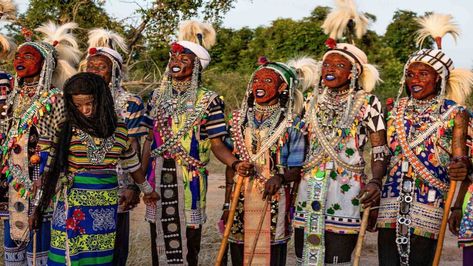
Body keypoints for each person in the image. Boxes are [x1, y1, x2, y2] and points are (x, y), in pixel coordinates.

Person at [141, 20, 253, 266]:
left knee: (189, 241)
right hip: (157, 176)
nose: (176, 62)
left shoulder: (209, 100)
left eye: (184, 59)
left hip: (189, 179)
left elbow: (217, 144)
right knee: (158, 238)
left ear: (197, 67)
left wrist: (235, 163)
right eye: (173, 58)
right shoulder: (156, 97)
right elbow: (148, 140)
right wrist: (140, 179)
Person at [293, 1, 388, 264]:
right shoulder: (311, 99)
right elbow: (297, 141)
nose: (329, 70)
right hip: (308, 184)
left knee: (337, 255)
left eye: (338, 66)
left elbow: (380, 148)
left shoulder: (368, 102)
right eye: (326, 65)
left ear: (354, 72)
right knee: (306, 253)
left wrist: (376, 181)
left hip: (346, 189)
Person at [376, 13, 472, 266]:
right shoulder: (394, 109)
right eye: (410, 74)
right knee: (387, 259)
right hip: (391, 195)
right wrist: (374, 186)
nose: (414, 80)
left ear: (438, 78)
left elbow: (462, 158)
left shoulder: (455, 113)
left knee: (421, 258)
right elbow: (383, 153)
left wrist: (458, 200)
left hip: (431, 197)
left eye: (422, 74)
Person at [36, 72, 159, 266]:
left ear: (101, 100)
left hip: (104, 203)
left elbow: (131, 164)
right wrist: (38, 204)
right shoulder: (66, 128)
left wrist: (147, 190)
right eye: (77, 105)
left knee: (98, 255)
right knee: (66, 254)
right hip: (72, 201)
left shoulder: (119, 129)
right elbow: (50, 165)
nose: (84, 110)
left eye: (89, 104)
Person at [0, 21, 80, 266]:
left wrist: (48, 177)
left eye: (28, 56)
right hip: (10, 177)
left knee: (39, 234)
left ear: (45, 64)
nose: (19, 60)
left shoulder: (56, 98)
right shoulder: (11, 97)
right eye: (18, 55)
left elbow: (61, 141)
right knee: (12, 234)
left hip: (40, 175)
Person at [222, 57, 316, 265]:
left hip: (274, 198)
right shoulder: (238, 120)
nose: (259, 86)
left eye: (267, 81)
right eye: (256, 81)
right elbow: (231, 164)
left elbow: (296, 168)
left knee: (271, 253)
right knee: (239, 248)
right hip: (241, 195)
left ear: (283, 87)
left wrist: (280, 178)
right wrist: (227, 203)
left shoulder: (293, 124)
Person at [83, 28, 146, 265]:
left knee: (114, 248)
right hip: (80, 187)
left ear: (115, 72)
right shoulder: (74, 100)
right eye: (90, 66)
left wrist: (133, 186)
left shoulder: (131, 102)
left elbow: (134, 145)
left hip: (116, 185)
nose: (94, 72)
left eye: (101, 67)